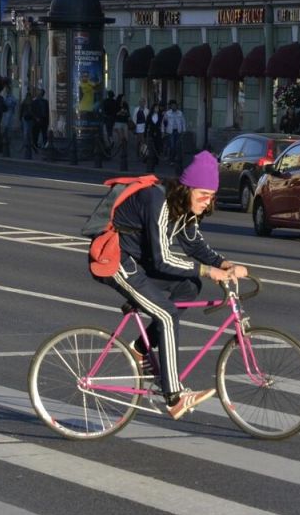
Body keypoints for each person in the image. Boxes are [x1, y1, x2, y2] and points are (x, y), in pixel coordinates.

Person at [101, 151, 249, 419]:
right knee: (167, 315)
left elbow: (192, 243)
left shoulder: (185, 208)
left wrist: (222, 263)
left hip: (140, 262)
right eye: (203, 194)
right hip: (116, 261)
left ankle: (140, 349)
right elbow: (162, 259)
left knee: (190, 285)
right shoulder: (157, 200)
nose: (208, 201)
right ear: (187, 189)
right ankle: (174, 397)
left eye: (212, 196)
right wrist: (208, 271)